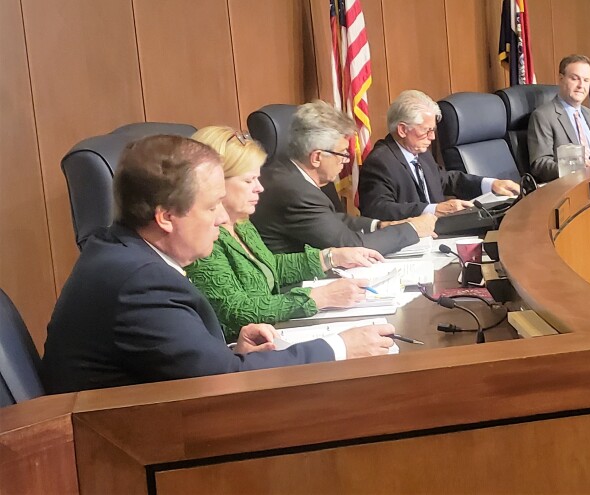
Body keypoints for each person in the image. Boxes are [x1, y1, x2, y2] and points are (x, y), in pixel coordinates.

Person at [39, 135, 394, 394]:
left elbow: (184, 365)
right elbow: (223, 378)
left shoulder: (122, 250)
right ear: (165, 216)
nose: (223, 218)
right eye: (211, 207)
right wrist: (340, 347)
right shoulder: (139, 281)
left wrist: (226, 350)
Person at [187, 126, 385, 340]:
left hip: (275, 333)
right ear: (216, 183)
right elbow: (235, 311)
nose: (259, 188)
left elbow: (269, 267)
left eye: (258, 178)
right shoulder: (203, 237)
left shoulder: (241, 221)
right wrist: (320, 297)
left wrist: (331, 257)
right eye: (248, 180)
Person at [251, 101, 436, 255]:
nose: (345, 161)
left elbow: (331, 220)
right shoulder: (294, 190)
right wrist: (413, 229)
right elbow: (351, 246)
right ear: (317, 157)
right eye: (342, 153)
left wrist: (380, 224)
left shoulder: (288, 172)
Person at [358, 90, 520, 221]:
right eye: (426, 131)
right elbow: (378, 209)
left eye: (433, 130)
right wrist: (433, 210)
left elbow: (446, 179)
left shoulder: (420, 153)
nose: (433, 137)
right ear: (402, 130)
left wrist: (490, 185)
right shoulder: (380, 162)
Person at [527, 54, 590, 183]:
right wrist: (574, 168)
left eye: (586, 80)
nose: (581, 85)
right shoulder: (543, 116)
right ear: (561, 79)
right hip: (571, 186)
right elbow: (540, 165)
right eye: (575, 79)